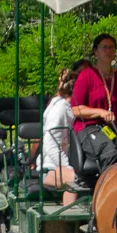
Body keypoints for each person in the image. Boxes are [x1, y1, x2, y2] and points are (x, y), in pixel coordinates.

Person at [70, 34, 117, 175]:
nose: (108, 51)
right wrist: (100, 112)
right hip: (90, 127)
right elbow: (75, 109)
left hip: (115, 127)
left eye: (111, 47)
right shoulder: (86, 75)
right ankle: (107, 189)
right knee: (109, 150)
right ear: (96, 51)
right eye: (104, 47)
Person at [39, 67, 79, 204]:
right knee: (77, 179)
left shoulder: (69, 107)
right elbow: (51, 146)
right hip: (50, 167)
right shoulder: (60, 109)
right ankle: (70, 220)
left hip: (66, 164)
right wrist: (68, 167)